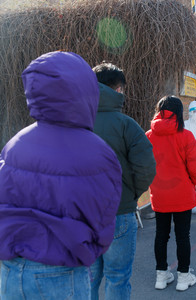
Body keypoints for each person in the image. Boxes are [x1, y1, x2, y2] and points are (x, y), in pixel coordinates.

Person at [0, 51, 122, 299]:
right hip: (62, 271)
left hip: (10, 270)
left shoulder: (15, 144)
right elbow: (104, 217)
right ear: (85, 90)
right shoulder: (98, 152)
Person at [90, 63, 157, 300]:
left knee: (88, 279)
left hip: (80, 215)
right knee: (117, 278)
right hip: (118, 211)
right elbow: (146, 167)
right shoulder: (126, 125)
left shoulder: (73, 123)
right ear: (118, 89)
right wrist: (130, 194)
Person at [146, 96, 196, 292]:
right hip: (182, 193)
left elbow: (144, 165)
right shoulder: (185, 136)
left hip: (160, 193)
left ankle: (161, 276)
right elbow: (194, 166)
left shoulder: (148, 136)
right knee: (182, 235)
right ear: (179, 112)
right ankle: (183, 277)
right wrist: (193, 182)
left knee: (161, 235)